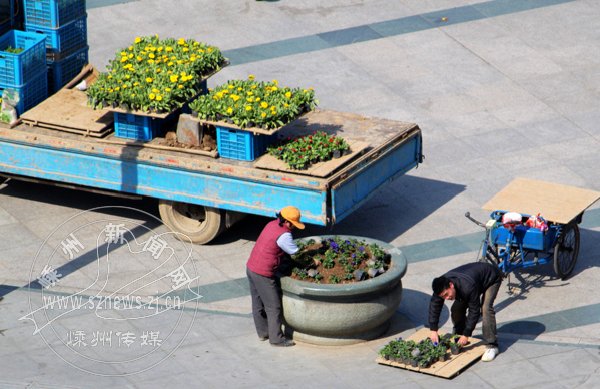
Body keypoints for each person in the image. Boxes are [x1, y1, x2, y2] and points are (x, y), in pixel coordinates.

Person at [246, 206, 305, 347]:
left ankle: (263, 333)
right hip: (263, 273)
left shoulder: (272, 224)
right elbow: (295, 252)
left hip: (251, 267)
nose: (294, 227)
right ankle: (276, 338)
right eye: (294, 224)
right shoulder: (284, 235)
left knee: (257, 302)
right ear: (288, 222)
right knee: (274, 307)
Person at [428, 262, 503, 362]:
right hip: (473, 279)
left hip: (491, 278)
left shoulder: (468, 287)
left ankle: (492, 346)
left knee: (485, 308)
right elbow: (435, 306)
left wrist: (467, 334)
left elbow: (474, 311)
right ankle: (459, 335)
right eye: (443, 297)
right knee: (456, 309)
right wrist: (433, 330)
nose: (447, 298)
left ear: (451, 285)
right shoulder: (440, 286)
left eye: (447, 294)